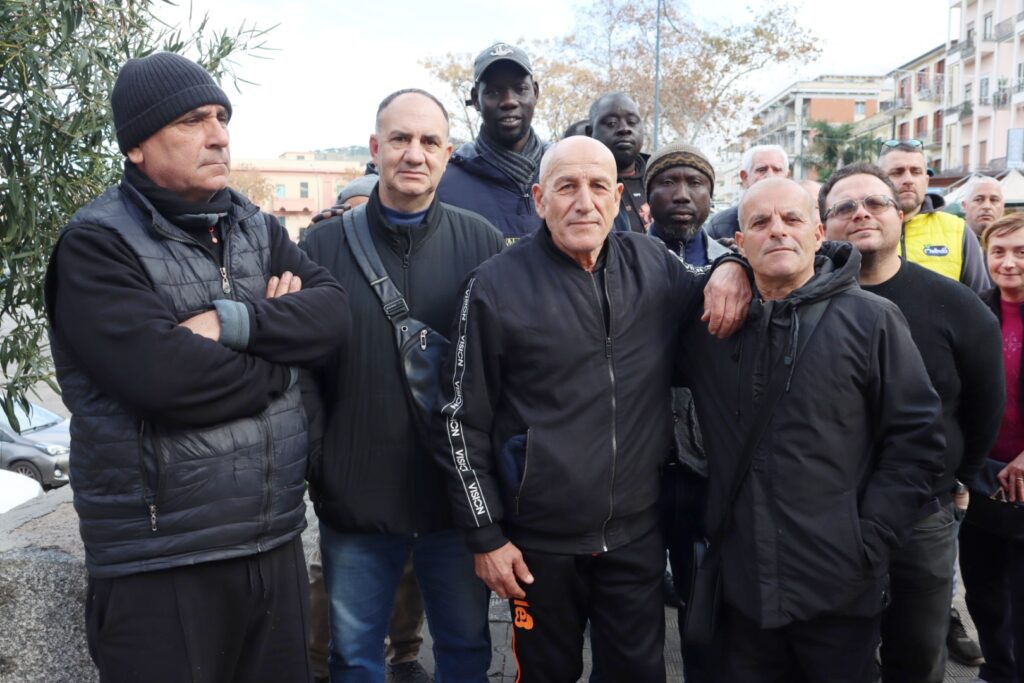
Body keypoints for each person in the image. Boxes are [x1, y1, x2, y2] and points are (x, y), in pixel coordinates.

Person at [44, 52, 349, 682]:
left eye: (221, 117)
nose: (218, 135)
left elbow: (335, 317)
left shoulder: (256, 228)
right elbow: (165, 379)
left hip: (274, 544)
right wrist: (282, 365)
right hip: (160, 565)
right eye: (192, 120)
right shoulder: (96, 245)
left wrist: (236, 324)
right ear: (137, 146)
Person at [433, 136, 751, 683]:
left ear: (619, 196)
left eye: (598, 186)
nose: (584, 201)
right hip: (538, 545)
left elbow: (718, 305)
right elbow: (460, 420)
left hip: (634, 536)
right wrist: (485, 534)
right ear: (539, 199)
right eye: (566, 186)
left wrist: (737, 265)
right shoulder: (493, 286)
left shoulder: (652, 264)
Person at [680, 177, 945, 682]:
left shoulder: (873, 321)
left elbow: (917, 442)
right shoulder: (710, 325)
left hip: (840, 589)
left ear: (820, 233)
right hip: (743, 593)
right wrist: (725, 269)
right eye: (759, 222)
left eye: (792, 219)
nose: (777, 231)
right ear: (739, 242)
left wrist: (869, 540)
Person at [300, 88, 503, 683]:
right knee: (353, 659)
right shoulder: (321, 247)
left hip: (454, 504)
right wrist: (323, 465)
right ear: (375, 149)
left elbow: (499, 374)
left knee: (465, 651)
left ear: (447, 154)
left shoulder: (483, 244)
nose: (414, 153)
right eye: (400, 139)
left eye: (429, 142)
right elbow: (301, 374)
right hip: (354, 502)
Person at [819, 163, 1004, 682]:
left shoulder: (957, 306)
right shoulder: (802, 301)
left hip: (922, 516)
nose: (860, 214)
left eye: (874, 204)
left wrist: (953, 479)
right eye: (843, 207)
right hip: (829, 515)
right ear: (823, 226)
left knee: (918, 655)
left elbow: (983, 407)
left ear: (901, 214)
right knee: (836, 656)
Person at [644, 141, 730, 683]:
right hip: (639, 462)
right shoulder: (618, 256)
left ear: (710, 194)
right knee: (632, 610)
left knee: (705, 608)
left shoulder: (734, 261)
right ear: (647, 195)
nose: (681, 194)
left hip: (708, 465)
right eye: (668, 182)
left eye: (694, 183)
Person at [959, 214, 1024, 683]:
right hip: (982, 477)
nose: (1008, 261)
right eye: (998, 251)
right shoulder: (974, 310)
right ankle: (997, 673)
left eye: (1021, 251)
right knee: (983, 593)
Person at [436, 42, 546, 244]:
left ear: (536, 92)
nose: (509, 101)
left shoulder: (564, 171)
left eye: (521, 89)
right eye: (494, 92)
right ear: (475, 99)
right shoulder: (444, 182)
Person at [877, 140, 989, 292]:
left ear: (926, 180)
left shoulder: (959, 231)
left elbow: (980, 301)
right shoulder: (863, 229)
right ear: (878, 181)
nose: (908, 180)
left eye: (916, 172)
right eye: (897, 172)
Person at [588, 92, 649, 233]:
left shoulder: (660, 179)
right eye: (612, 123)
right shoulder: (578, 186)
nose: (625, 129)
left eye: (632, 122)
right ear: (590, 132)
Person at [705, 144, 789, 240]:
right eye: (761, 170)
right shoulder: (720, 226)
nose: (770, 176)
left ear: (787, 176)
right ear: (744, 177)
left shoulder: (804, 220)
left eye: (777, 170)